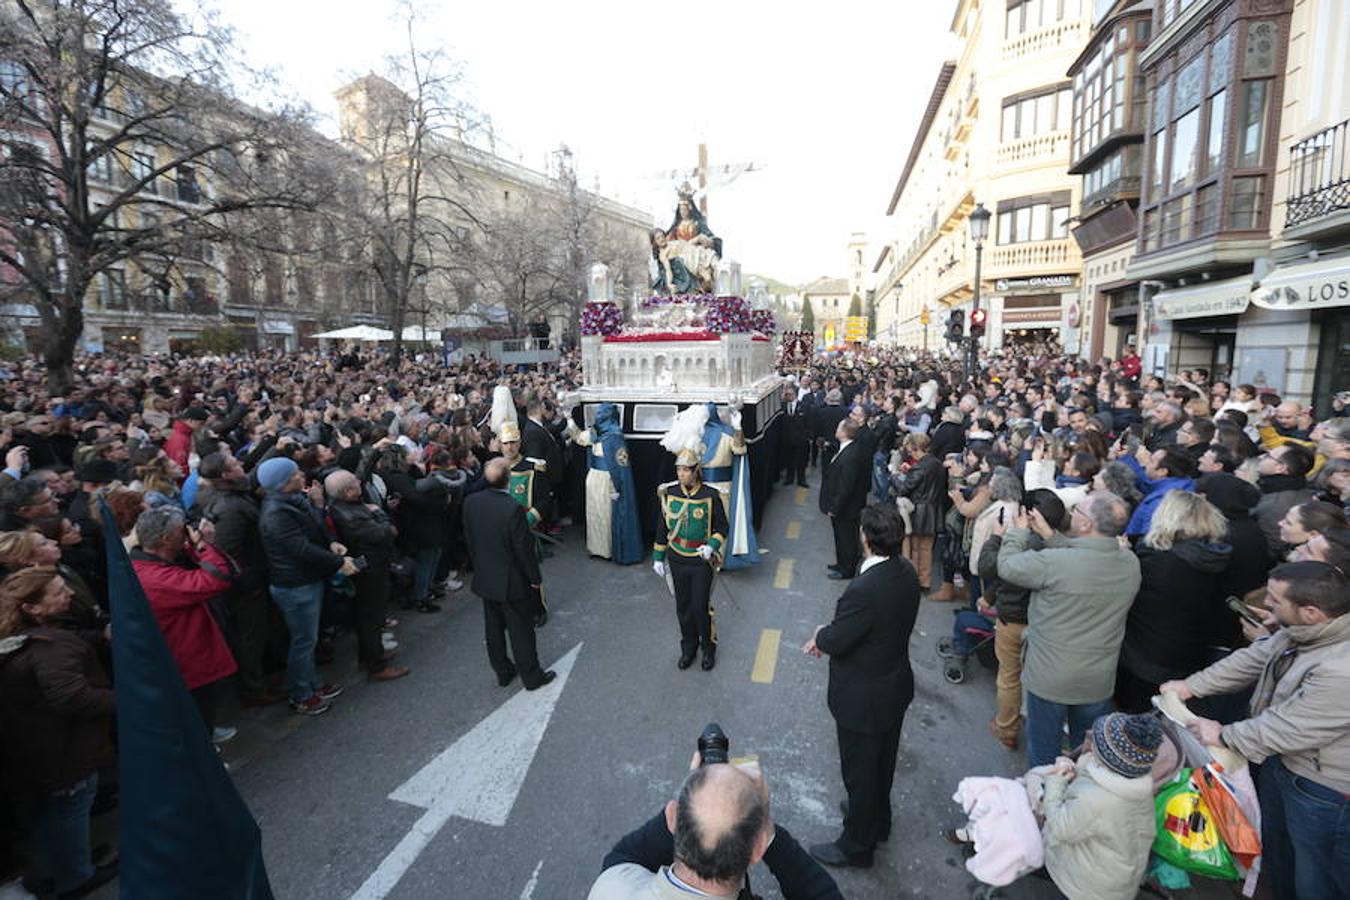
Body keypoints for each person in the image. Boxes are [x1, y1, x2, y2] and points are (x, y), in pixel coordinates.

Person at [1163, 561, 1350, 900]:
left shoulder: (1341, 668)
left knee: (1315, 876)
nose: (1267, 608)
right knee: (1280, 857)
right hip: (1287, 767)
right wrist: (1190, 687)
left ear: (1310, 612)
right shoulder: (1299, 632)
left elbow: (1289, 727)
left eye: (1276, 601)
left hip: (1321, 789)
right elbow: (1254, 659)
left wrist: (1223, 735)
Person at [802, 504, 920, 868]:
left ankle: (856, 844)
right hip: (892, 685)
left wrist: (822, 636)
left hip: (864, 696)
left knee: (860, 770)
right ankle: (875, 820)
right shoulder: (905, 571)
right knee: (882, 763)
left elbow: (841, 638)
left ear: (867, 539)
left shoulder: (866, 588)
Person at [996, 492, 1141, 767]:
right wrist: (1050, 535)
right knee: (1086, 755)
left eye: (1077, 510)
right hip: (1098, 680)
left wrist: (1016, 532)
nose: (1071, 513)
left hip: (1050, 678)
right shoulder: (1130, 564)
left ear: (1086, 525)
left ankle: (1042, 802)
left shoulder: (1054, 563)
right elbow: (1084, 556)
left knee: (1044, 758)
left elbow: (1007, 566)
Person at [0, 567, 118, 898]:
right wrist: (123, 700)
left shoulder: (20, 641)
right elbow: (72, 697)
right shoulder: (47, 647)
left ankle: (60, 868)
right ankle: (76, 876)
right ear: (31, 608)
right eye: (56, 592)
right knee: (70, 811)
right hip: (63, 751)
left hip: (40, 749)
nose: (67, 592)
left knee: (54, 816)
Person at [587, 760, 842, 900]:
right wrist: (769, 831)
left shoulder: (613, 887)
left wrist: (692, 803)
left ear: (672, 818)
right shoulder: (761, 843)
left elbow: (624, 857)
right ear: (757, 851)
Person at [1114, 491, 1231, 713]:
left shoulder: (1156, 559)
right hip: (1188, 654)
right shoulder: (1216, 557)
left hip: (1143, 656)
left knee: (1135, 719)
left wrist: (1124, 557)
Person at [257, 456, 356, 716]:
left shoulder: (291, 500)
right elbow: (300, 547)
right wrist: (338, 562)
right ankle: (301, 693)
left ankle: (312, 683)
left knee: (309, 639)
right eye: (294, 475)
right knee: (304, 641)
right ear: (282, 483)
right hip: (295, 585)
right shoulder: (276, 513)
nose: (301, 475)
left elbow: (312, 527)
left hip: (307, 579)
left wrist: (330, 539)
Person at [130, 506, 240, 735]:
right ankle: (206, 754)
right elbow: (215, 580)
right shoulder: (154, 578)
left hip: (189, 649)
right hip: (187, 656)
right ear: (166, 539)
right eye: (182, 531)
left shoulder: (151, 563)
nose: (187, 534)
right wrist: (203, 545)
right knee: (198, 709)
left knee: (201, 707)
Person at [978, 488, 1066, 751]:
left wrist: (996, 537)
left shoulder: (1022, 542)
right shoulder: (1064, 546)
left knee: (1009, 675)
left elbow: (990, 567)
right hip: (1045, 624)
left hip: (1014, 620)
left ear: (1031, 515)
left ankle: (1006, 728)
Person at [1040, 713, 1163, 900]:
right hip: (1119, 873)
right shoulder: (1138, 785)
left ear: (1107, 758)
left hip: (1088, 888)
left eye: (1096, 742)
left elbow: (1060, 827)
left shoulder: (1097, 800)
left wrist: (1055, 781)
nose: (1091, 741)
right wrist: (1081, 767)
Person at [197, 450, 283, 707]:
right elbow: (228, 553)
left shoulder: (233, 494)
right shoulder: (229, 508)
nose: (240, 464)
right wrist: (249, 583)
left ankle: (265, 676)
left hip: (254, 577)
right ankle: (253, 688)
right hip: (247, 587)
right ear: (225, 474)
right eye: (235, 463)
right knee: (251, 638)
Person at [462, 457, 554, 690]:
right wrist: (535, 580)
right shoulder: (512, 509)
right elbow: (523, 551)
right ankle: (532, 677)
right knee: (521, 631)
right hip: (512, 581)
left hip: (485, 577)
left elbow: (471, 541)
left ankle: (502, 671)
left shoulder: (471, 502)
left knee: (493, 629)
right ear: (509, 479)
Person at [324, 469, 410, 683]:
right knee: (371, 617)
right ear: (347, 491)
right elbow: (387, 532)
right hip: (370, 569)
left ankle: (372, 654)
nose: (360, 484)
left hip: (370, 564)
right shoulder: (351, 515)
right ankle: (376, 665)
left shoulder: (343, 506)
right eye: (355, 483)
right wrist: (378, 513)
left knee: (369, 616)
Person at [652, 449, 728, 671]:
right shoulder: (669, 493)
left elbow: (723, 527)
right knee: (683, 607)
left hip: (699, 560)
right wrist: (658, 556)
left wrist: (711, 546)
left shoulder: (711, 495)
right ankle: (688, 648)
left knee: (699, 607)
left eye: (686, 470)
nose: (681, 474)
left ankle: (708, 648)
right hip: (676, 558)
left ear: (696, 471)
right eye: (678, 469)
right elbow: (662, 526)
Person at [568, 403, 644, 564]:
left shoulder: (615, 437)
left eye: (601, 414)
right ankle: (597, 548)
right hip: (594, 478)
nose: (598, 417)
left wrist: (618, 487)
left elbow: (621, 466)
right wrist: (569, 419)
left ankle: (608, 549)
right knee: (594, 513)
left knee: (606, 515)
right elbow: (578, 437)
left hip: (607, 480)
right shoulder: (595, 433)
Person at [819, 419, 870, 580]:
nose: (836, 429)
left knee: (846, 537)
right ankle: (841, 563)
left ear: (845, 432)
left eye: (839, 427)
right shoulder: (848, 449)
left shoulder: (851, 457)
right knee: (840, 536)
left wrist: (835, 507)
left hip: (847, 507)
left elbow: (846, 486)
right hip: (845, 506)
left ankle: (847, 569)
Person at [894, 431, 944, 593]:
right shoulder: (936, 463)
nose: (909, 451)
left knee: (915, 548)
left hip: (919, 511)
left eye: (910, 448)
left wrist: (894, 475)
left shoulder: (920, 467)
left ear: (915, 447)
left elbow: (903, 489)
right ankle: (925, 582)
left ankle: (913, 581)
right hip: (934, 509)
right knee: (927, 549)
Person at [1254, 443, 1317, 560]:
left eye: (1268, 456)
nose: (1260, 457)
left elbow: (1274, 547)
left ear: (1281, 468)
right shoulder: (1296, 487)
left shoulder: (1275, 505)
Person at [779, 384, 811, 487]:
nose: (788, 396)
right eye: (787, 394)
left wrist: (807, 436)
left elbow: (808, 422)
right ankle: (789, 478)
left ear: (795, 395)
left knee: (801, 461)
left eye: (790, 394)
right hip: (787, 439)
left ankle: (801, 480)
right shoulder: (783, 406)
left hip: (800, 439)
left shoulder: (804, 406)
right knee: (789, 460)